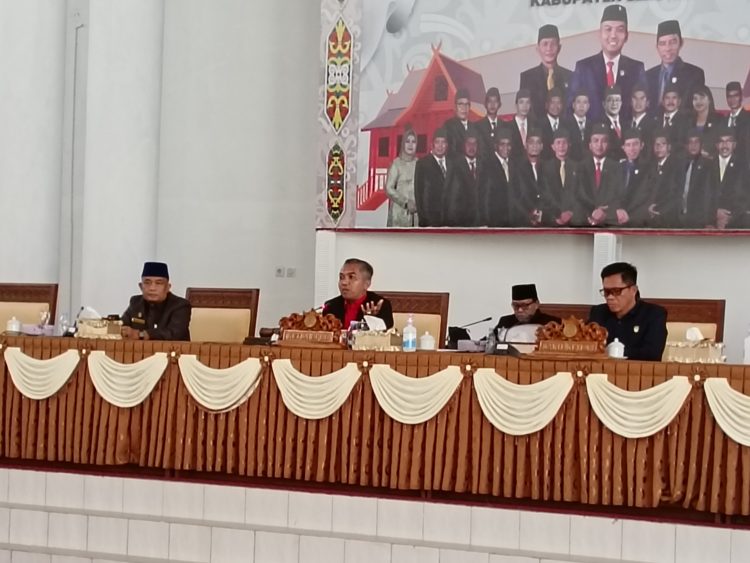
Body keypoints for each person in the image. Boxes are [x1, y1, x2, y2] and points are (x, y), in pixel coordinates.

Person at [567, 5, 645, 123]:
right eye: (608, 29)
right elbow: (570, 109)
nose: (613, 35)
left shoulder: (636, 69)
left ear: (626, 36)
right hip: (591, 133)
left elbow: (644, 110)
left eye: (619, 30)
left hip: (626, 133)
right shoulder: (584, 68)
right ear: (599, 34)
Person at [588, 262, 667, 361]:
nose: (610, 297)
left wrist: (614, 352)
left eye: (616, 291)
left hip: (637, 370)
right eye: (606, 292)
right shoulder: (598, 313)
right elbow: (586, 346)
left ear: (633, 290)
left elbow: (652, 353)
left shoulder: (654, 314)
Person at [121, 261, 191, 341]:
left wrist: (141, 335)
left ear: (168, 287)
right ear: (141, 286)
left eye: (158, 283)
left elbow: (174, 333)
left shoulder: (180, 305)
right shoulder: (135, 302)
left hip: (172, 348)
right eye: (147, 283)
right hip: (138, 348)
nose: (152, 288)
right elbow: (122, 325)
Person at [645, 20, 705, 112]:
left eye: (672, 42)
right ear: (657, 47)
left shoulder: (694, 74)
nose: (668, 48)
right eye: (662, 44)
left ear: (681, 43)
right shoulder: (648, 75)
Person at [519, 24, 572, 120]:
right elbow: (525, 112)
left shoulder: (570, 76)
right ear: (537, 48)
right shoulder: (527, 77)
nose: (549, 48)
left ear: (559, 48)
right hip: (536, 128)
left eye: (553, 44)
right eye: (545, 44)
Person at [577, 123, 626, 227]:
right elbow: (578, 195)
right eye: (596, 141)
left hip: (609, 222)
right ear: (590, 145)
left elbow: (619, 196)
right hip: (585, 221)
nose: (599, 145)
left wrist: (606, 213)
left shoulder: (617, 167)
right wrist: (592, 213)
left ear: (608, 144)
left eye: (604, 141)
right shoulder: (581, 167)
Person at [322, 259, 394, 329]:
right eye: (341, 277)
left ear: (367, 284)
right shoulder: (331, 306)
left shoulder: (379, 305)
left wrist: (371, 320)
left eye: (351, 277)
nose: (344, 282)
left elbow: (387, 332)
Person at [494, 284, 561, 342]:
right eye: (516, 305)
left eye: (524, 305)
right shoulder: (505, 322)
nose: (520, 310)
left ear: (536, 304)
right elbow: (491, 344)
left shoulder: (553, 324)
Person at [540, 128, 579, 227]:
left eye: (564, 143)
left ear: (569, 145)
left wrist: (570, 212)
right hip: (551, 219)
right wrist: (557, 214)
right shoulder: (544, 168)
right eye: (558, 143)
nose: (561, 146)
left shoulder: (577, 167)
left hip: (573, 218)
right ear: (553, 146)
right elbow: (545, 193)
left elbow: (579, 193)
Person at [711, 125, 747, 229]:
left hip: (735, 221)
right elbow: (703, 195)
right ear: (716, 145)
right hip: (710, 221)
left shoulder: (743, 167)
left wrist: (728, 218)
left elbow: (743, 196)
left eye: (728, 141)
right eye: (721, 141)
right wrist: (714, 213)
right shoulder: (707, 165)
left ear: (734, 145)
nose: (725, 145)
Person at [645, 129, 681, 228]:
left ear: (669, 147)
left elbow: (676, 194)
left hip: (669, 219)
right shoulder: (651, 166)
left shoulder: (676, 166)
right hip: (650, 218)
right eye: (656, 144)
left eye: (663, 144)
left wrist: (657, 208)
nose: (659, 147)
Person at [445, 134, 483, 226]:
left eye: (474, 144)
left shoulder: (484, 164)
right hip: (461, 222)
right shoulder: (455, 166)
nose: (471, 147)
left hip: (481, 222)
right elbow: (451, 198)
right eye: (468, 143)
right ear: (463, 145)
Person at [678, 130, 712, 228]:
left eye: (696, 142)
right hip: (679, 217)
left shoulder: (708, 165)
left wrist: (708, 221)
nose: (693, 145)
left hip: (698, 219)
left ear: (701, 145)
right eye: (690, 142)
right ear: (686, 146)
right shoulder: (680, 164)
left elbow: (709, 195)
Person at [415, 128, 449, 227]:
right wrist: (424, 220)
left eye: (443, 142)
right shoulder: (422, 164)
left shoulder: (453, 163)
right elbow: (419, 194)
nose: (440, 146)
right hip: (430, 220)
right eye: (437, 142)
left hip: (450, 219)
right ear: (432, 144)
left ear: (447, 145)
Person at [385, 128, 418, 227]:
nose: (410, 145)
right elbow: (389, 188)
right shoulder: (396, 164)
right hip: (399, 213)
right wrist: (406, 203)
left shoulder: (419, 164)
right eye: (407, 141)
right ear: (403, 144)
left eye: (413, 142)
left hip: (416, 213)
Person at [481, 127, 514, 227]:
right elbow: (485, 197)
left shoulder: (514, 164)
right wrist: (487, 223)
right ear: (496, 146)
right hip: (494, 222)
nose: (506, 148)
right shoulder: (487, 165)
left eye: (508, 144)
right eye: (502, 144)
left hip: (512, 221)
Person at [511, 128, 544, 227]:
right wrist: (530, 214)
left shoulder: (547, 167)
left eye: (538, 143)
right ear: (526, 145)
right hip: (522, 220)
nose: (534, 146)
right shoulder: (516, 168)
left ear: (542, 146)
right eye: (531, 142)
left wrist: (541, 212)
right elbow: (515, 197)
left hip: (544, 219)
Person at [618, 128, 650, 227]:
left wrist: (630, 216)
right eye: (628, 145)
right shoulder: (618, 168)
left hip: (638, 220)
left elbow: (646, 198)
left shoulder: (649, 169)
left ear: (642, 145)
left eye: (635, 144)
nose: (632, 149)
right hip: (618, 218)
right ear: (623, 147)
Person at [442, 88, 478, 156]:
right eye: (460, 104)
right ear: (455, 106)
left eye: (467, 104)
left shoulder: (474, 127)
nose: (464, 108)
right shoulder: (448, 126)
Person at [562, 90, 592, 161]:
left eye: (585, 102)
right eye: (578, 102)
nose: (581, 106)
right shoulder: (564, 124)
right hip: (571, 163)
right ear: (573, 105)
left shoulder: (592, 125)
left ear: (588, 106)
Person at [509, 89, 537, 160]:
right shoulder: (507, 127)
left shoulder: (535, 125)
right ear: (516, 105)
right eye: (521, 102)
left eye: (527, 102)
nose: (525, 106)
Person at [476, 87, 503, 158]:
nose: (492, 105)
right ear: (485, 104)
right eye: (489, 101)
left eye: (495, 101)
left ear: (499, 104)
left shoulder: (505, 126)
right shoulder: (477, 127)